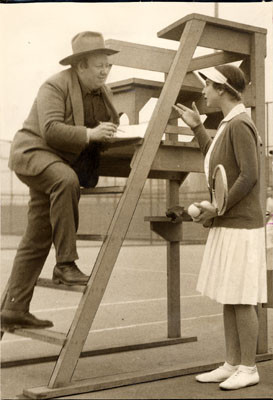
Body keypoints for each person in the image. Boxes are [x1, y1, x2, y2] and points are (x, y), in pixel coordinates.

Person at [1, 31, 120, 330]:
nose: (105, 71)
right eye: (99, 65)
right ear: (80, 65)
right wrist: (90, 134)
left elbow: (110, 124)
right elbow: (51, 129)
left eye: (108, 65)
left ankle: (15, 307)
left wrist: (113, 132)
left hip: (57, 162)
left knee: (38, 234)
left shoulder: (104, 92)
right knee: (66, 181)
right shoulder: (54, 85)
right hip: (33, 152)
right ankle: (65, 264)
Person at [173, 64, 267, 390]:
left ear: (223, 89)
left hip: (242, 227)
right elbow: (216, 162)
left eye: (208, 85)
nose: (204, 91)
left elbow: (250, 175)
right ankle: (231, 363)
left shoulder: (241, 124)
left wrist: (217, 207)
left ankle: (249, 368)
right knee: (230, 296)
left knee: (242, 298)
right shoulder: (228, 124)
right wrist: (198, 127)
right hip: (228, 224)